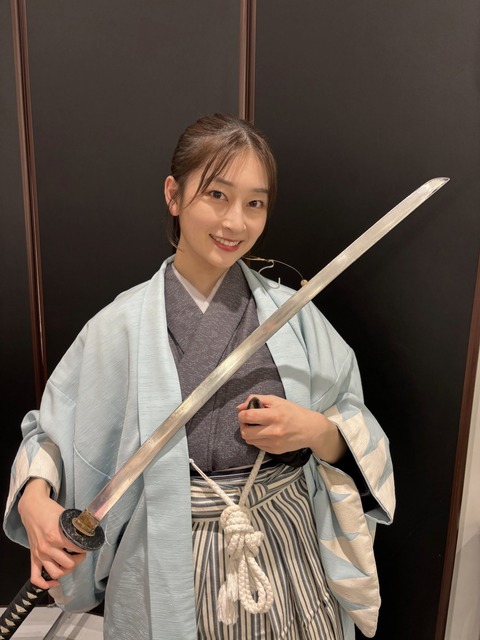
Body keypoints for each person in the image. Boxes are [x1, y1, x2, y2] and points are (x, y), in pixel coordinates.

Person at [4, 113, 395, 640]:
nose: (235, 222)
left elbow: (353, 421)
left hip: (283, 548)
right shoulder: (117, 327)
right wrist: (34, 500)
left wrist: (316, 432)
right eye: (217, 195)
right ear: (174, 194)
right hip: (164, 557)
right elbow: (50, 432)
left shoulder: (294, 316)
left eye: (254, 203)